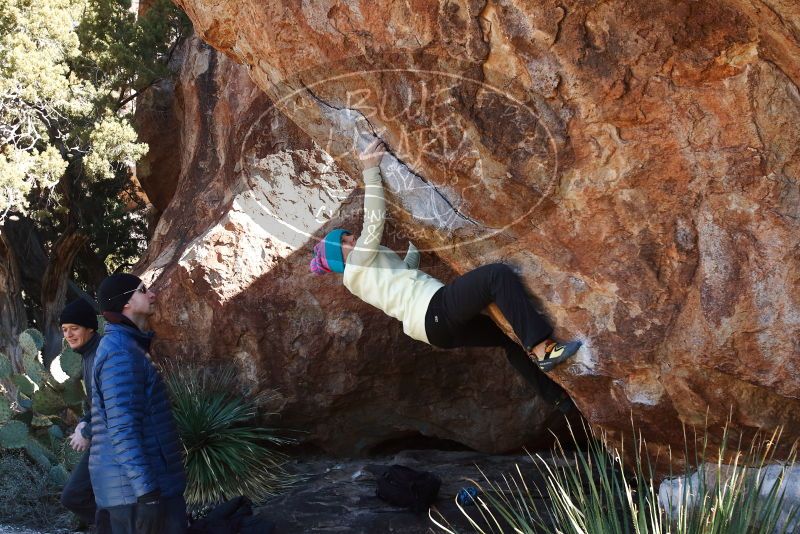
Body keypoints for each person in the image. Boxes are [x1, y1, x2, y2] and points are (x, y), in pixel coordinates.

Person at [309, 139, 581, 400]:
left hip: (432, 331)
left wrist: (416, 245)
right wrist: (371, 171)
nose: (351, 239)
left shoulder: (361, 274)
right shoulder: (356, 264)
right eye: (343, 243)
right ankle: (543, 350)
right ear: (339, 262)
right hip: (434, 310)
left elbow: (404, 273)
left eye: (347, 236)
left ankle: (556, 398)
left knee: (507, 337)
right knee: (496, 276)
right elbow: (373, 225)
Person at [90, 273, 187, 534]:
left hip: (135, 490)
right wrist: (148, 494)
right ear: (125, 304)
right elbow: (123, 429)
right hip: (136, 495)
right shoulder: (121, 353)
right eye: (143, 290)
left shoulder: (125, 346)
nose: (152, 294)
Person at [58, 298, 111, 533]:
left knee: (75, 495)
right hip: (103, 434)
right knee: (76, 496)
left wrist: (87, 431)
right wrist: (83, 422)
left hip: (112, 439)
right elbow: (97, 404)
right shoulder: (88, 354)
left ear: (90, 327)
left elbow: (114, 403)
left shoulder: (101, 353)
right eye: (64, 330)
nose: (68, 335)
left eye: (74, 328)